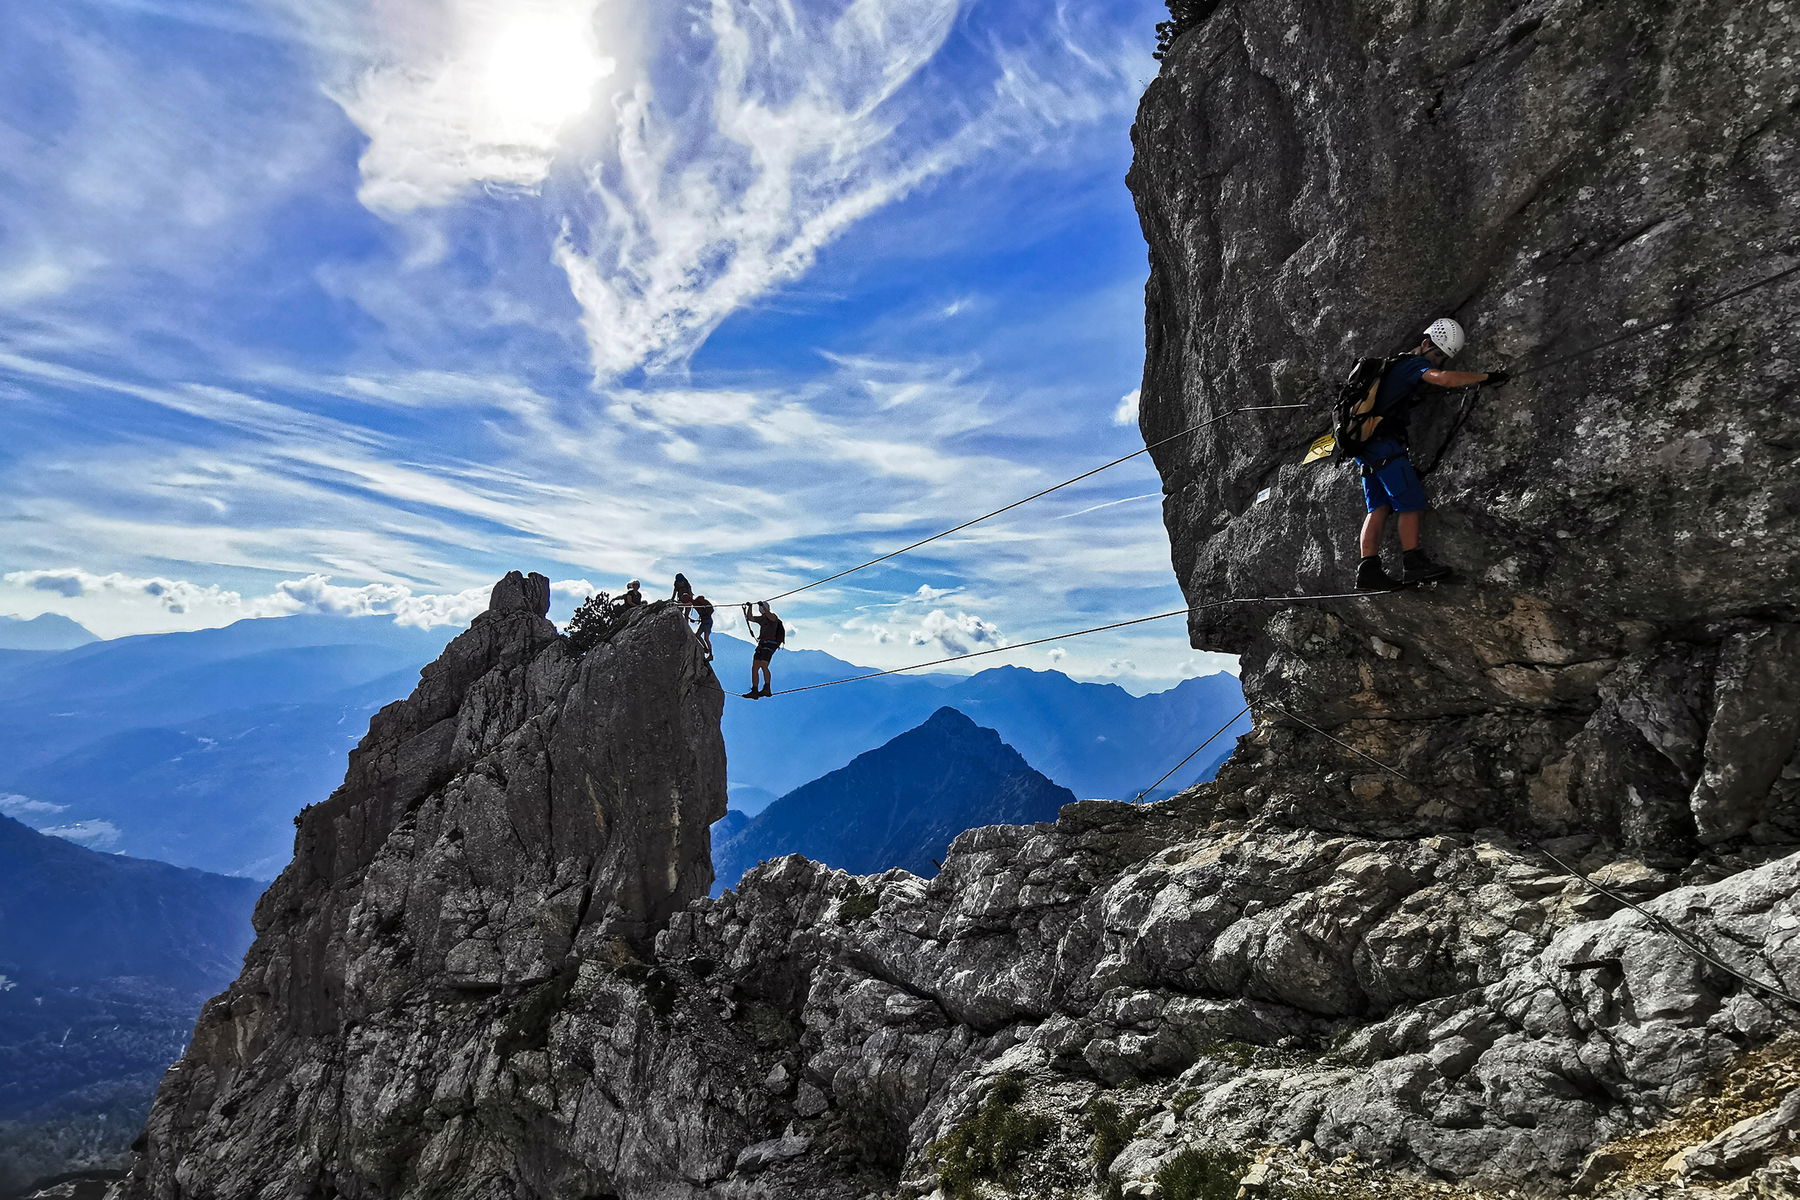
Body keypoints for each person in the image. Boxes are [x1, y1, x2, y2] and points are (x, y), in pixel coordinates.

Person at [1353, 317, 1508, 591]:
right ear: (1425, 343)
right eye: (1437, 355)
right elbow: (1443, 379)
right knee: (1410, 501)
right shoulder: (1412, 364)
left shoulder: (1393, 366)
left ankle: (1368, 570)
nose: (1437, 362)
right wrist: (1486, 377)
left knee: (1378, 507)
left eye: (1441, 359)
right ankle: (1413, 562)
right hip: (1384, 445)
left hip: (1364, 446)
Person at [740, 601, 784, 698]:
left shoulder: (774, 617)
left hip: (770, 644)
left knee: (764, 665)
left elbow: (770, 616)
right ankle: (755, 690)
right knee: (755, 667)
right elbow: (750, 618)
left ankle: (766, 688)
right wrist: (750, 607)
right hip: (763, 644)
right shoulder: (762, 618)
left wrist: (762, 607)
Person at [689, 593, 715, 660]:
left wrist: (677, 604)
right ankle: (706, 649)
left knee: (706, 638)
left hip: (707, 622)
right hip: (705, 622)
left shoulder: (697, 603)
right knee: (698, 635)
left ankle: (710, 654)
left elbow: (687, 604)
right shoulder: (696, 603)